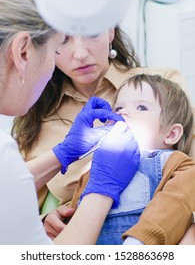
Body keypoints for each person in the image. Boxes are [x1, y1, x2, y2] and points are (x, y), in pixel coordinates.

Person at [0, 0, 140, 244]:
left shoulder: (157, 83)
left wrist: (61, 154)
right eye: (58, 46)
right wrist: (101, 189)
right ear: (22, 53)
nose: (79, 53)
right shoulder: (9, 149)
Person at [11, 26, 189, 215]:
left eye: (90, 32)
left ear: (110, 30)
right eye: (64, 38)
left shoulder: (164, 85)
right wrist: (47, 220)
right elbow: (16, 200)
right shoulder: (34, 115)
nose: (80, 54)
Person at [67, 73, 195, 245]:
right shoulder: (92, 173)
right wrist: (63, 218)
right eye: (118, 108)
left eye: (142, 107)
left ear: (171, 134)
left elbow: (176, 203)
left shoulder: (177, 165)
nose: (123, 113)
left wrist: (138, 242)